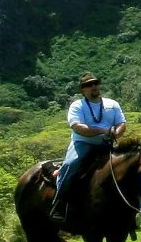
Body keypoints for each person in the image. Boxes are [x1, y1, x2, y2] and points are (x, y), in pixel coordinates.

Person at [52, 73, 127, 219]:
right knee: (70, 164)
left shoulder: (112, 104)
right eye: (88, 85)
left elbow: (121, 123)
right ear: (82, 90)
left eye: (95, 83)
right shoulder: (77, 105)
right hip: (82, 143)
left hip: (107, 144)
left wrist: (116, 133)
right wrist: (103, 130)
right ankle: (59, 203)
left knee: (129, 167)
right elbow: (78, 127)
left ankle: (131, 210)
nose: (93, 86)